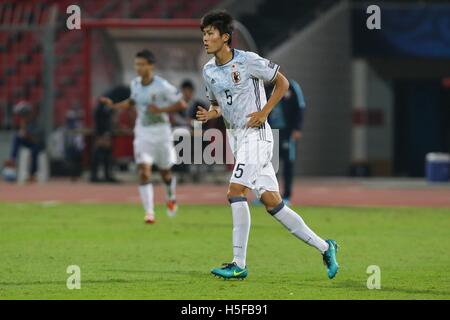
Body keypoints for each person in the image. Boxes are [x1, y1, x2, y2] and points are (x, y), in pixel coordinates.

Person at [196, 11, 339, 280]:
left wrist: (264, 113)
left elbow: (282, 82)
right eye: (203, 34)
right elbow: (218, 104)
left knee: (235, 191)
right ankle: (325, 247)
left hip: (258, 136)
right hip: (237, 139)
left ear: (225, 37)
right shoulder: (209, 71)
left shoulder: (248, 61)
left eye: (210, 33)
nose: (205, 39)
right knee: (272, 203)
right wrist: (210, 114)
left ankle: (238, 263)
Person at [100, 49, 187, 224]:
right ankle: (149, 213)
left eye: (141, 64)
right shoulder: (135, 84)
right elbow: (133, 102)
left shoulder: (163, 86)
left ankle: (171, 197)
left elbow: (182, 104)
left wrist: (160, 110)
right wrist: (114, 105)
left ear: (150, 66)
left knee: (165, 173)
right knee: (144, 172)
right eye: (136, 64)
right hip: (143, 132)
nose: (138, 68)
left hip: (161, 132)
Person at [267, 79, 305, 205]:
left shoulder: (292, 87)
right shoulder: (267, 88)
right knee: (269, 165)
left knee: (288, 163)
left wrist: (297, 128)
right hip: (270, 132)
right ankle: (269, 195)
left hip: (287, 132)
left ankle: (287, 196)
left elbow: (300, 106)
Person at [91, 85, 130, 183]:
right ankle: (97, 175)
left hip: (102, 121)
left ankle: (103, 175)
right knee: (102, 147)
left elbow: (111, 114)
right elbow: (108, 115)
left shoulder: (113, 94)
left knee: (105, 149)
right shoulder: (113, 98)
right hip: (102, 122)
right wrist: (108, 129)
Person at [8, 100, 44, 182]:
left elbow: (36, 140)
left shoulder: (36, 122)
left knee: (35, 150)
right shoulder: (24, 122)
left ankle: (32, 175)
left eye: (23, 115)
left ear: (28, 114)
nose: (21, 118)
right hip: (29, 142)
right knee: (16, 137)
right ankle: (12, 161)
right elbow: (22, 135)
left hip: (38, 144)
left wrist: (25, 132)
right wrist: (23, 131)